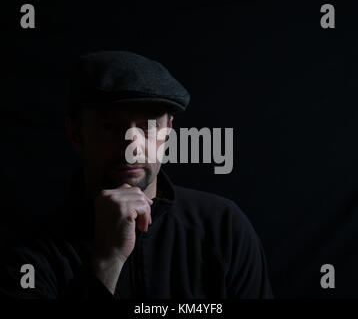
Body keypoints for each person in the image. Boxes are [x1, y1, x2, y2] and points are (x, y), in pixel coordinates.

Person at [0, 51, 273, 299]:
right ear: (76, 134)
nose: (132, 147)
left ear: (168, 131)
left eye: (147, 126)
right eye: (110, 128)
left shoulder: (222, 227)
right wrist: (108, 261)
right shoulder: (31, 252)